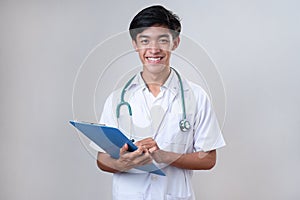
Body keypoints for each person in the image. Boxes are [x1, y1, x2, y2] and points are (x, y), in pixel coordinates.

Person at [92, 5, 226, 200]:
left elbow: (208, 159)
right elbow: (102, 159)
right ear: (135, 44)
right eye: (145, 41)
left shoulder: (196, 96)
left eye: (162, 40)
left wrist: (165, 157)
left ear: (175, 42)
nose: (153, 50)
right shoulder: (117, 100)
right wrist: (124, 163)